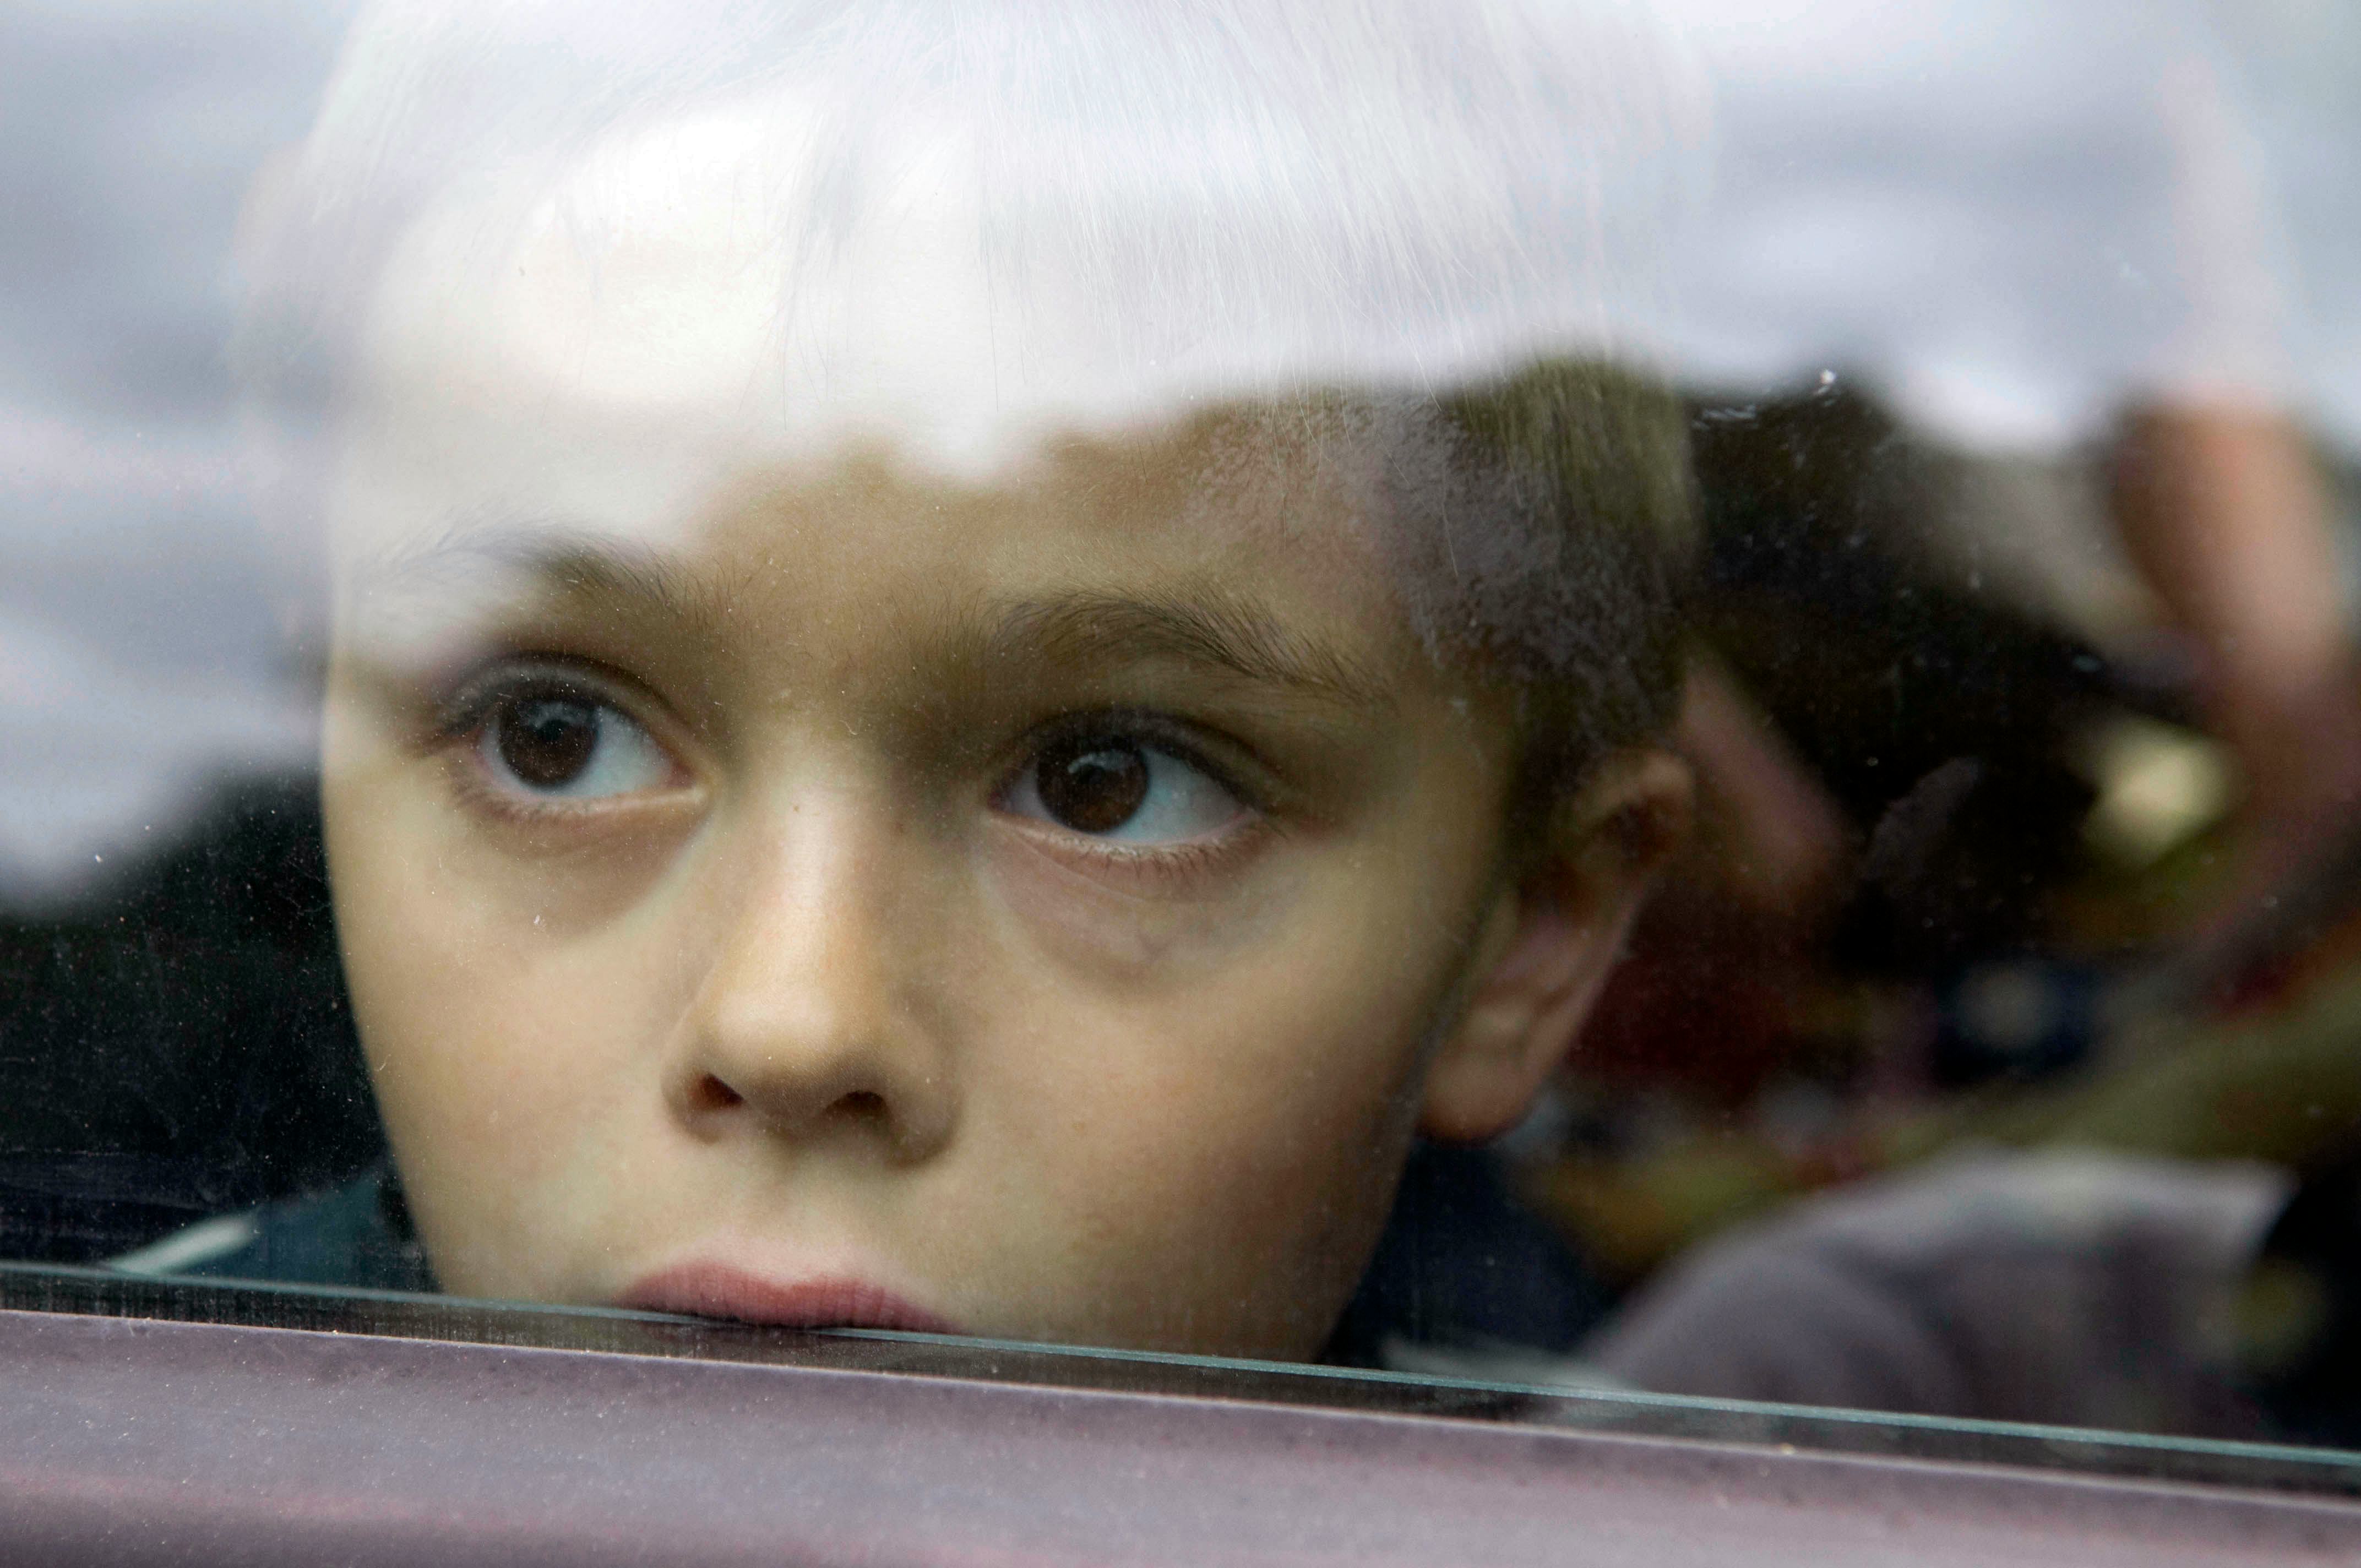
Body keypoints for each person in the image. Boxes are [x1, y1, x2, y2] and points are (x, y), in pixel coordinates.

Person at [110, 0, 1700, 1364]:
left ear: (1528, 933)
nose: (795, 1022)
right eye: (555, 737)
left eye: (1113, 781)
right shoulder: (87, 1431)